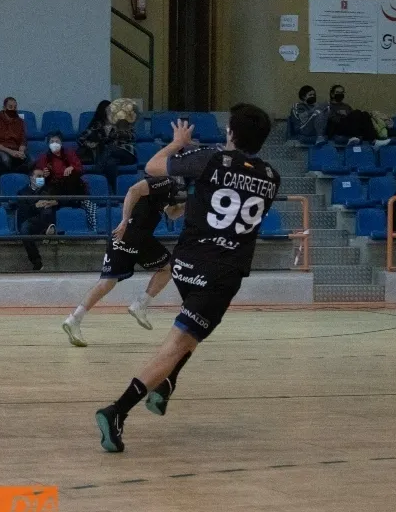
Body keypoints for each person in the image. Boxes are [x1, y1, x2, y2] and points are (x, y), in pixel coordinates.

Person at [95, 105, 279, 453]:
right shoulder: (271, 177)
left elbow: (153, 168)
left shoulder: (210, 159)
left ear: (230, 133)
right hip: (222, 271)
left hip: (185, 263)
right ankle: (117, 411)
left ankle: (167, 385)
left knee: (193, 331)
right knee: (180, 342)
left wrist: (178, 143)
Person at [62, 175, 186, 347]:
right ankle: (140, 304)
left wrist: (186, 206)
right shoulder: (164, 180)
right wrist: (124, 221)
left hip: (131, 237)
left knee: (107, 282)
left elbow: (172, 215)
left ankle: (74, 319)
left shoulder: (169, 191)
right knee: (168, 267)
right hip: (133, 233)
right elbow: (133, 190)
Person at [17, 167, 58, 271]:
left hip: (46, 217)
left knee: (47, 210)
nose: (41, 179)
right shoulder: (22, 192)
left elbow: (63, 200)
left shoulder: (49, 190)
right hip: (31, 220)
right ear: (31, 178)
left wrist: (54, 202)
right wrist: (35, 206)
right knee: (24, 230)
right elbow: (24, 212)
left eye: (43, 176)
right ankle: (37, 262)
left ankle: (47, 229)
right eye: (39, 176)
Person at [0, 97, 29, 174]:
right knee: (6, 159)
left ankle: (16, 176)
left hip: (15, 150)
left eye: (15, 107)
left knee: (30, 160)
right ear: (4, 108)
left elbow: (23, 140)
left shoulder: (20, 121)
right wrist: (11, 152)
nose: (13, 109)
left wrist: (21, 151)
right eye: (10, 107)